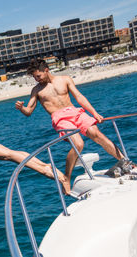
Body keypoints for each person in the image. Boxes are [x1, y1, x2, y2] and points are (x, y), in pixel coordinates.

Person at [15, 60, 124, 194]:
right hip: (59, 118)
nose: (36, 79)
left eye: (38, 76)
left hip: (75, 112)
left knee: (97, 135)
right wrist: (21, 108)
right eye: (34, 77)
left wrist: (94, 113)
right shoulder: (37, 90)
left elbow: (79, 97)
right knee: (78, 144)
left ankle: (125, 162)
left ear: (46, 70)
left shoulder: (64, 79)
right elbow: (29, 111)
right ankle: (67, 178)